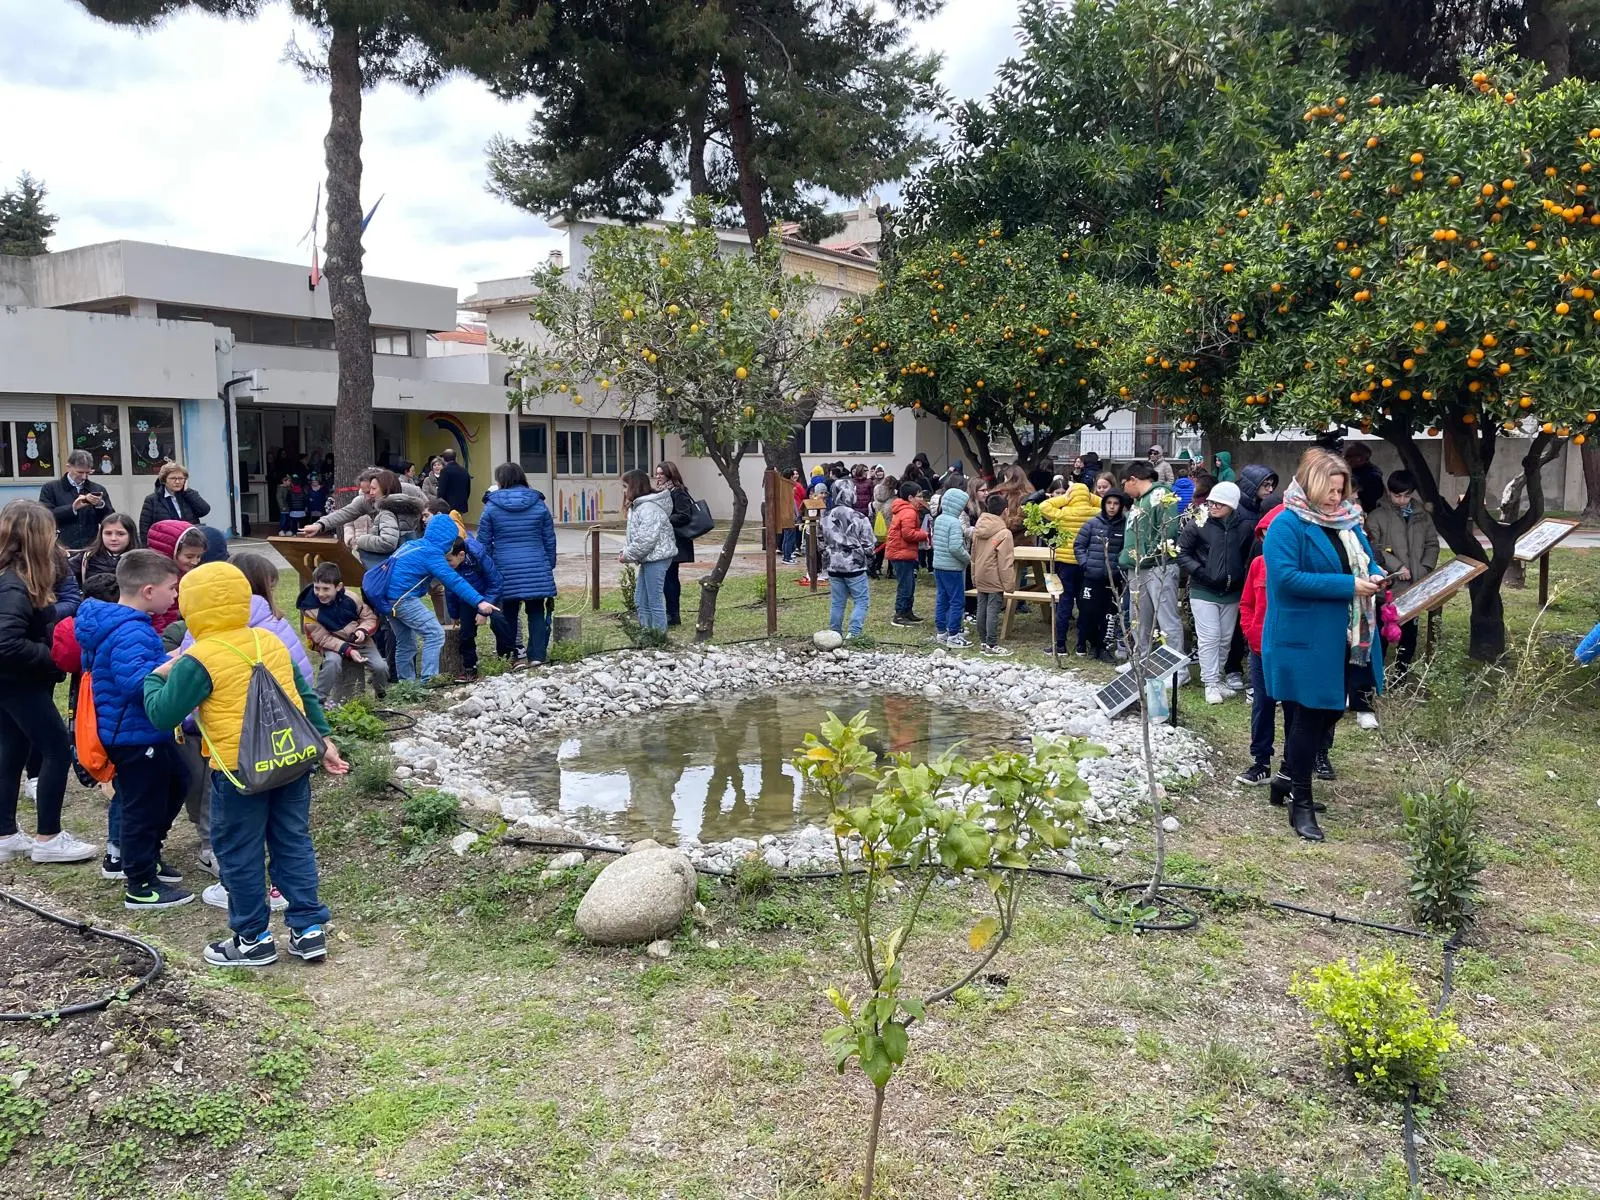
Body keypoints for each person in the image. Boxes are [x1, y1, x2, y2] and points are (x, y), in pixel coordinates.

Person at [143, 562, 348, 967]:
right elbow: (303, 695)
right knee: (293, 843)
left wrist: (155, 677)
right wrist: (324, 741)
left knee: (240, 853)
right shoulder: (267, 641)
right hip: (290, 760)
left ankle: (252, 938)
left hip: (238, 772)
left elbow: (163, 716)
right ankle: (308, 930)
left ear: (191, 608)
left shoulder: (197, 658)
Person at [1262, 448, 1385, 842]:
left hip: (1346, 637)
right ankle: (1300, 801)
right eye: (1330, 490)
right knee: (1312, 715)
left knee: (1325, 713)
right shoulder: (1288, 524)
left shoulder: (1347, 523)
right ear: (1311, 485)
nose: (1336, 498)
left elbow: (1364, 562)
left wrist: (1378, 575)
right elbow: (1285, 580)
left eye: (1341, 490)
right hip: (1303, 639)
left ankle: (1284, 778)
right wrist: (1349, 586)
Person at [76, 550, 194, 909]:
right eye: (171, 589)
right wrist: (176, 663)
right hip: (133, 735)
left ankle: (148, 856)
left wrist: (162, 661)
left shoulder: (127, 625)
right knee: (142, 805)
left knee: (177, 781)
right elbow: (135, 684)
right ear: (147, 590)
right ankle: (141, 885)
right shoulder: (130, 630)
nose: (175, 596)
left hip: (141, 732)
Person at [0, 502, 99, 866]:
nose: (56, 538)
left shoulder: (17, 577)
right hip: (18, 681)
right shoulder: (13, 585)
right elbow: (6, 642)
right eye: (51, 532)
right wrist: (52, 656)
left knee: (11, 749)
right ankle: (49, 837)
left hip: (14, 682)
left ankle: (6, 834)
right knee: (56, 748)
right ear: (36, 537)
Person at [376, 513, 499, 683]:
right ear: (448, 539)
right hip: (402, 599)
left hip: (385, 599)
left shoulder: (413, 544)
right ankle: (429, 681)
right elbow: (454, 581)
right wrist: (480, 601)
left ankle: (406, 686)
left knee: (405, 643)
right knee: (434, 634)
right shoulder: (432, 554)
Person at [477, 462, 557, 667]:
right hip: (536, 564)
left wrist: (487, 570)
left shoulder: (491, 507)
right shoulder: (539, 503)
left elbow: (484, 544)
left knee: (507, 613)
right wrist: (549, 564)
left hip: (504, 567)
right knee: (536, 611)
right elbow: (549, 538)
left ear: (501, 481)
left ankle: (511, 656)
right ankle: (537, 656)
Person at [1177, 481, 1250, 704]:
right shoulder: (1198, 523)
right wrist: (1200, 572)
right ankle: (1209, 683)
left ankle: (1217, 678)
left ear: (1232, 505)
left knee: (1225, 639)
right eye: (1212, 502)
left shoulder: (1243, 527)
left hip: (1231, 592)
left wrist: (1239, 578)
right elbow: (1182, 552)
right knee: (1209, 637)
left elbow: (1246, 556)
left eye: (1221, 503)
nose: (1215, 506)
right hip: (1203, 589)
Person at [1364, 469, 1438, 684]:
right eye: (1397, 495)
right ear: (1389, 492)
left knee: (1409, 634)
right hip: (1389, 585)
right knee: (1383, 630)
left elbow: (1432, 544)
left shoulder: (1422, 515)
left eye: (1406, 495)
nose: (1402, 500)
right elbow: (1373, 548)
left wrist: (1424, 568)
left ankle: (1402, 675)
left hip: (1415, 584)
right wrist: (1398, 567)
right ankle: (1377, 675)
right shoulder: (1377, 516)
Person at [423, 501, 510, 683]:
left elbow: (495, 582)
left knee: (500, 623)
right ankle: (470, 667)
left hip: (488, 595)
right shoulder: (451, 568)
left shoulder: (479, 557)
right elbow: (451, 591)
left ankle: (507, 656)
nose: (447, 565)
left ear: (461, 555)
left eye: (449, 560)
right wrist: (454, 614)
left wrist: (483, 610)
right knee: (466, 633)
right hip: (466, 601)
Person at [1236, 504, 1287, 788]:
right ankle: (1261, 761)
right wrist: (1250, 631)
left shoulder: (1297, 567)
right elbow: (1247, 604)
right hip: (1259, 647)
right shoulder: (1258, 565)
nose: (1269, 542)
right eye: (1264, 536)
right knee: (1262, 704)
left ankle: (1294, 763)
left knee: (1294, 707)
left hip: (1289, 648)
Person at [1119, 463, 1186, 668]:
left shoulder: (1161, 496)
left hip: (1158, 567)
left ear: (1133, 479)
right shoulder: (1139, 501)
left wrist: (1148, 555)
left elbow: (1168, 531)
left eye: (1124, 484)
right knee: (1139, 618)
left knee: (1166, 619)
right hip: (1138, 569)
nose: (1124, 491)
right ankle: (1140, 661)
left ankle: (1177, 671)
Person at [297, 562, 389, 702]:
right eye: (317, 588)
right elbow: (321, 638)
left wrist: (362, 630)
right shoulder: (309, 609)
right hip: (331, 643)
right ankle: (319, 699)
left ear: (338, 587)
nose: (320, 594)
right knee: (333, 662)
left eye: (326, 589)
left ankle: (381, 693)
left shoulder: (351, 598)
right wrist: (347, 650)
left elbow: (369, 617)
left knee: (380, 666)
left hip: (359, 641)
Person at [1040, 482, 1098, 656]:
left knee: (1064, 603)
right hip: (1086, 564)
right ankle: (1081, 645)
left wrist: (1065, 498)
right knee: (1084, 604)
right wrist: (1090, 497)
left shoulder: (1063, 513)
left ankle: (1060, 645)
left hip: (1065, 564)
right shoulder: (1095, 514)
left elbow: (1044, 506)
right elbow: (1105, 504)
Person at [620, 469, 678, 634]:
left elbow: (646, 540)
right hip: (649, 558)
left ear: (634, 486)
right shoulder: (640, 506)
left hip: (656, 558)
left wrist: (627, 555)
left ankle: (658, 636)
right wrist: (626, 550)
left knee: (654, 600)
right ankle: (647, 632)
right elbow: (637, 537)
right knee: (641, 599)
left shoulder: (648, 508)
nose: (624, 491)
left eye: (625, 486)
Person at [1074, 489, 1127, 661]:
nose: (1112, 507)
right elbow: (1079, 545)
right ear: (1104, 504)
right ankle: (1085, 642)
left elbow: (1126, 549)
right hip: (1091, 576)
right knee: (1088, 611)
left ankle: (1103, 647)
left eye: (1116, 503)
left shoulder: (1125, 525)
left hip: (1113, 579)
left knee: (1109, 614)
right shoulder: (1092, 523)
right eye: (1109, 503)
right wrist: (1085, 564)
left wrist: (1119, 568)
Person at [821, 499, 875, 639]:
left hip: (833, 564)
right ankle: (854, 633)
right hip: (854, 565)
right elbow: (868, 543)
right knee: (861, 600)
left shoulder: (825, 517)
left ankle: (834, 633)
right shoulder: (860, 517)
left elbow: (820, 541)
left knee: (837, 602)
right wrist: (869, 557)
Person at [40, 449, 113, 550]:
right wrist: (72, 508)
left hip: (90, 547)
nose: (84, 477)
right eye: (80, 472)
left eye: (87, 473)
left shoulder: (98, 489)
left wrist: (100, 505)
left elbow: (110, 519)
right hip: (61, 546)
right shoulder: (50, 488)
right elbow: (44, 516)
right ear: (68, 467)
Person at [653, 462, 697, 628]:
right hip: (667, 540)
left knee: (670, 578)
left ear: (670, 475)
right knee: (667, 578)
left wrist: (664, 520)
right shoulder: (663, 492)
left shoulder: (678, 492)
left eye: (661, 474)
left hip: (676, 541)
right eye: (657, 474)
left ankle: (673, 614)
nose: (658, 477)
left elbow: (683, 515)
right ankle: (670, 613)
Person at [971, 494, 1016, 656]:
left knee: (981, 607)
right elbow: (1005, 562)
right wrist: (1010, 585)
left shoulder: (978, 528)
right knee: (992, 610)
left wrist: (974, 576)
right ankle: (991, 644)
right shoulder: (1004, 533)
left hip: (980, 573)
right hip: (995, 576)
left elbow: (973, 554)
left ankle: (983, 642)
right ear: (1005, 511)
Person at [931, 486, 971, 648]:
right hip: (952, 567)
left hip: (938, 565)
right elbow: (955, 547)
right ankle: (954, 634)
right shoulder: (954, 523)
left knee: (942, 598)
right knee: (957, 601)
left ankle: (942, 632)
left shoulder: (939, 519)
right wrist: (968, 558)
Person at [885, 481, 930, 626]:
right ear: (910, 497)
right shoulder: (909, 512)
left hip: (902, 552)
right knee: (906, 585)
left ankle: (907, 612)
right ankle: (899, 614)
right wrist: (924, 534)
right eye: (919, 496)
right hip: (901, 553)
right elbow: (908, 534)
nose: (921, 499)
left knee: (909, 584)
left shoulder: (904, 510)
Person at [139, 462, 212, 543]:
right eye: (173, 478)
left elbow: (204, 510)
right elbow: (144, 528)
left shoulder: (189, 495)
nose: (177, 482)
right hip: (165, 544)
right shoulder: (152, 499)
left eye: (181, 478)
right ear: (164, 480)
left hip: (189, 543)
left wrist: (187, 492)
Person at [70, 512, 138, 584]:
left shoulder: (142, 560)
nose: (113, 538)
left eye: (120, 534)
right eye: (108, 533)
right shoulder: (86, 557)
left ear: (131, 535)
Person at [1343, 442, 1386, 513]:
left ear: (1359, 458)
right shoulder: (1351, 471)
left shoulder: (1373, 477)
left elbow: (1372, 502)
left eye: (1349, 456)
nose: (1346, 459)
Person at [436, 448, 472, 514]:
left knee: (449, 523)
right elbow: (468, 489)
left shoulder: (445, 471)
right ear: (456, 458)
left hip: (448, 506)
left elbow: (441, 491)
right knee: (458, 523)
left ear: (443, 459)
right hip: (461, 505)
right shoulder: (464, 470)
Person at [782, 469, 806, 564]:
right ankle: (787, 557)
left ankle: (787, 554)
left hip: (787, 514)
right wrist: (796, 515)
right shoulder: (789, 487)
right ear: (791, 477)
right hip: (789, 515)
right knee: (789, 536)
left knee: (787, 536)